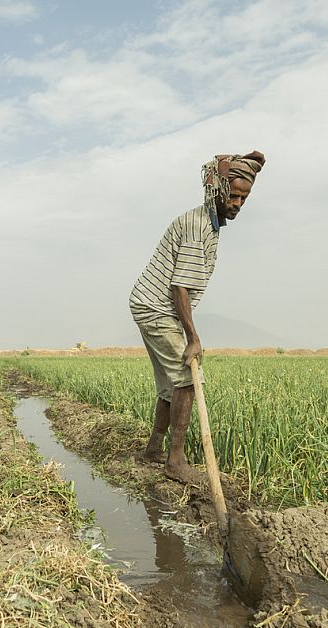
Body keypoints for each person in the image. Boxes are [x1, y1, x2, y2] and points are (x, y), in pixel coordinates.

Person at [129, 151, 265, 484]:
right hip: (158, 307)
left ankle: (152, 450)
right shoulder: (197, 226)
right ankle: (175, 462)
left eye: (243, 198)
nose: (237, 203)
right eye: (232, 195)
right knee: (188, 381)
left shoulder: (210, 224)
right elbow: (179, 288)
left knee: (170, 384)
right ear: (216, 191)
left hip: (151, 305)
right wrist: (193, 337)